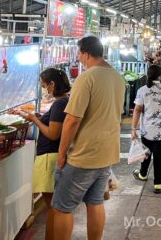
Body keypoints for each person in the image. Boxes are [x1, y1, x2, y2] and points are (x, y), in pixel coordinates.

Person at [52, 36, 126, 240]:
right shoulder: (118, 78)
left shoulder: (87, 77)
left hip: (84, 155)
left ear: (86, 53)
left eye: (79, 54)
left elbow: (72, 120)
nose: (79, 58)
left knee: (62, 208)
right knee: (95, 203)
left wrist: (61, 155)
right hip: (107, 153)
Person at [18, 68, 70, 240]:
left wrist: (34, 120)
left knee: (53, 208)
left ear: (52, 84)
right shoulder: (64, 101)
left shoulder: (59, 103)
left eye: (43, 85)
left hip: (49, 158)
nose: (43, 89)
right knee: (55, 207)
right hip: (52, 156)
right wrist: (40, 117)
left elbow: (53, 133)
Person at [131, 64, 161, 193]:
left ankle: (143, 174)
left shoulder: (142, 90)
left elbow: (137, 110)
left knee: (146, 152)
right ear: (160, 75)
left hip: (147, 129)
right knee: (158, 156)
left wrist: (133, 128)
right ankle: (157, 184)